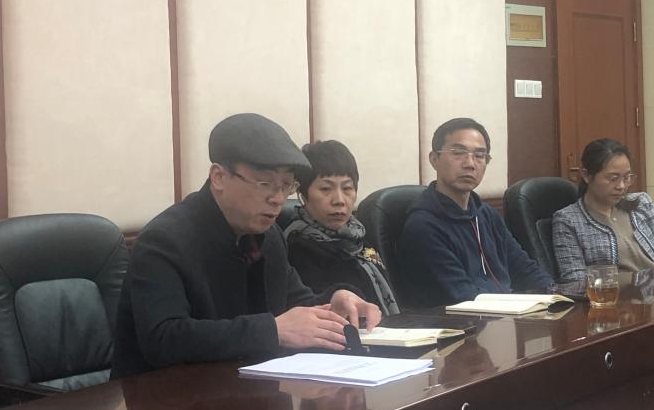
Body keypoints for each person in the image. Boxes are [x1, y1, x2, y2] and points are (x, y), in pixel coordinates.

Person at [112, 113, 382, 378]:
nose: (278, 199)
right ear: (218, 177)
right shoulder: (164, 240)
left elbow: (294, 302)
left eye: (286, 185)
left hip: (248, 388)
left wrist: (333, 302)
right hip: (165, 396)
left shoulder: (269, 236)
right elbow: (163, 339)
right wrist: (272, 331)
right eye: (265, 183)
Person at [397, 117, 553, 306]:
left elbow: (525, 268)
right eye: (458, 153)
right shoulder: (423, 225)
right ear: (434, 159)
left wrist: (553, 296)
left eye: (479, 155)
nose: (470, 164)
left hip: (502, 314)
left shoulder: (486, 214)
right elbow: (463, 296)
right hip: (458, 320)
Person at [283, 140, 400, 315]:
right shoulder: (297, 247)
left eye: (347, 188)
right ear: (303, 195)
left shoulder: (358, 238)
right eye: (325, 189)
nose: (339, 200)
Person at [552, 138, 654, 282]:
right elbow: (575, 280)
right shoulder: (568, 220)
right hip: (615, 294)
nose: (621, 186)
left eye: (627, 177)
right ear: (586, 175)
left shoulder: (642, 203)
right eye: (613, 178)